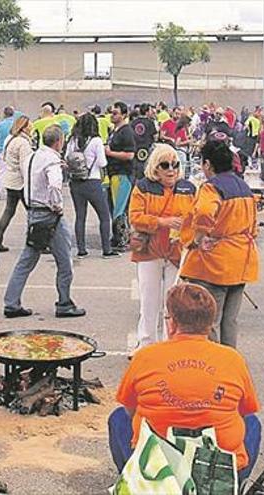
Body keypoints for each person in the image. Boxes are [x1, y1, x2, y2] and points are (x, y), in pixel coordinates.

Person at [109, 283, 261, 481]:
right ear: (209, 324)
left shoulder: (146, 357)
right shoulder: (232, 359)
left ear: (171, 323)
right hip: (218, 468)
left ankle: (135, 481)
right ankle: (233, 485)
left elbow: (130, 410)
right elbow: (245, 411)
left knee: (118, 417)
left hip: (157, 467)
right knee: (252, 423)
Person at [179, 137, 259, 348]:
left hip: (215, 263)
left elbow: (205, 211)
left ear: (207, 164)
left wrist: (198, 238)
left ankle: (212, 365)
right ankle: (229, 363)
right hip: (241, 260)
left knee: (209, 321)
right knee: (230, 321)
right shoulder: (244, 187)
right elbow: (254, 228)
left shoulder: (211, 188)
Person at [3, 125, 85, 319]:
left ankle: (11, 302)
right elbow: (55, 185)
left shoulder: (32, 157)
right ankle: (64, 302)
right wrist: (57, 205)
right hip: (49, 215)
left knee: (26, 260)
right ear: (59, 141)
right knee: (64, 261)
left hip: (33, 212)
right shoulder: (52, 160)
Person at [128, 144, 195, 351]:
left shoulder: (189, 188)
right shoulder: (143, 186)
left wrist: (187, 235)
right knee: (149, 302)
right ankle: (146, 344)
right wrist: (162, 222)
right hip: (150, 252)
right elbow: (135, 218)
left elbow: (195, 218)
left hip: (176, 253)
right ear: (155, 167)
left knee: (172, 303)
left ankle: (169, 345)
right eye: (165, 165)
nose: (171, 169)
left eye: (175, 164)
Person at [67, 113, 116, 259]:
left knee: (80, 216)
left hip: (76, 182)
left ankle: (81, 249)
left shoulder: (73, 140)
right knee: (104, 216)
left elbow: (67, 158)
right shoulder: (96, 141)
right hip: (92, 181)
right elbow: (102, 163)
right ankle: (106, 249)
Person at [0, 115, 32, 253]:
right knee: (32, 211)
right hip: (21, 182)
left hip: (10, 179)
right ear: (24, 127)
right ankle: (34, 239)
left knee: (9, 210)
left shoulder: (10, 140)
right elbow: (25, 165)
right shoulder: (23, 143)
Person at [105, 102, 137, 251]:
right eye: (112, 112)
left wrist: (110, 153)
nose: (112, 115)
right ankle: (118, 236)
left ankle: (123, 238)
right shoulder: (114, 131)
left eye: (116, 113)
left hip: (123, 173)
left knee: (120, 208)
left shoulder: (126, 131)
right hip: (114, 174)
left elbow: (130, 154)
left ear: (124, 115)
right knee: (114, 207)